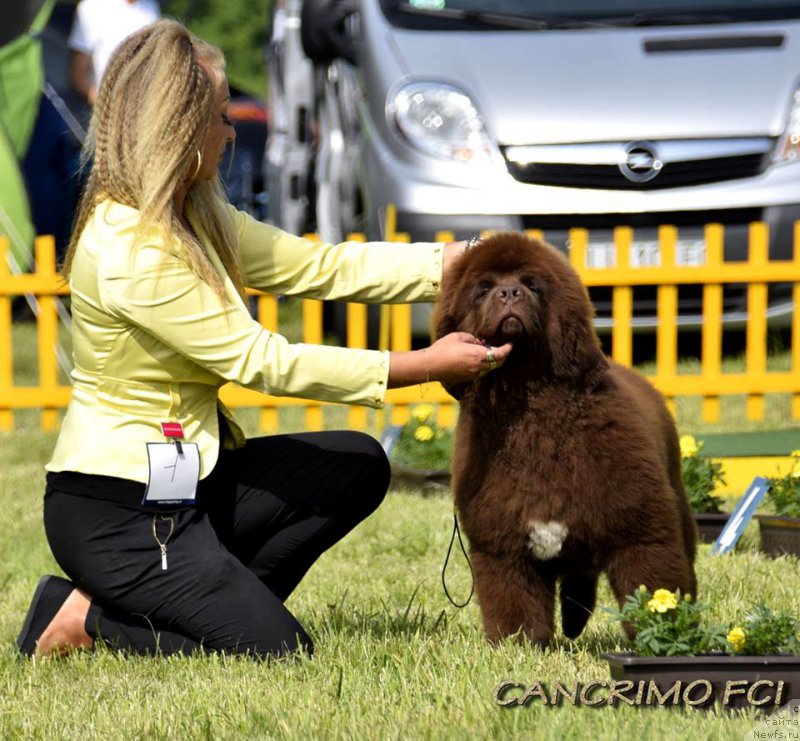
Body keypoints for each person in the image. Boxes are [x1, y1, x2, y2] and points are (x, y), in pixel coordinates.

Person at [16, 19, 512, 659]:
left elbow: (318, 266)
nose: (232, 131)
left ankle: (200, 604)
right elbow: (261, 362)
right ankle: (85, 620)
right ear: (178, 127)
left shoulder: (194, 211)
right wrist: (422, 364)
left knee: (359, 465)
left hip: (193, 483)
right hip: (122, 513)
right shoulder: (130, 249)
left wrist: (455, 263)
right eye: (221, 117)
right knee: (281, 650)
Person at [68, 0, 160, 105]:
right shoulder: (92, 6)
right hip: (92, 110)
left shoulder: (152, 9)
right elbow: (77, 75)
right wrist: (106, 108)